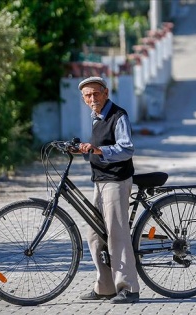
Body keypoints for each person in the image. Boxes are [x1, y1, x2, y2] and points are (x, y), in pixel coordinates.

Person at [75, 76, 140, 304]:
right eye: (87, 96)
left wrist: (100, 151)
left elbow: (126, 148)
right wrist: (82, 149)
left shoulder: (118, 115)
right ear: (83, 99)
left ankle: (129, 288)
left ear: (105, 93)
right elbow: (97, 148)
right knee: (95, 235)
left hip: (116, 181)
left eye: (96, 94)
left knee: (116, 235)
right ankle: (105, 287)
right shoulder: (95, 117)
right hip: (100, 181)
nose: (92, 99)